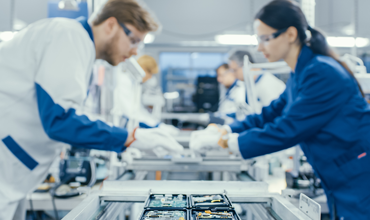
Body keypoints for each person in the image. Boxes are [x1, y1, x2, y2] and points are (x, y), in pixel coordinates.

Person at [0, 0, 183, 219]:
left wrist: (129, 138)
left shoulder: (81, 48)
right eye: (133, 39)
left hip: (15, 174)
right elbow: (61, 120)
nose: (134, 51)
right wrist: (128, 138)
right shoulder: (68, 35)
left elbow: (73, 113)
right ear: (111, 25)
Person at [192, 0, 370, 219]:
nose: (259, 47)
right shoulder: (301, 73)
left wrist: (230, 143)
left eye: (265, 39)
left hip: (360, 177)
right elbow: (271, 113)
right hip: (342, 176)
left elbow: (288, 129)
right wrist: (227, 130)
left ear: (290, 34)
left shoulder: (321, 72)